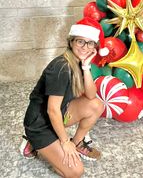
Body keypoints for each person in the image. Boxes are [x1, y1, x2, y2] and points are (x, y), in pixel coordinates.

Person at [20, 17, 109, 177]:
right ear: (71, 42)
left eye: (90, 43)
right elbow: (52, 110)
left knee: (96, 105)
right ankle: (34, 142)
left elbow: (91, 95)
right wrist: (64, 141)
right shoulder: (62, 67)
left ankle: (76, 144)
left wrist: (87, 66)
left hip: (60, 113)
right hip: (40, 125)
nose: (85, 47)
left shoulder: (79, 62)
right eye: (80, 41)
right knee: (76, 171)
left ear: (95, 47)